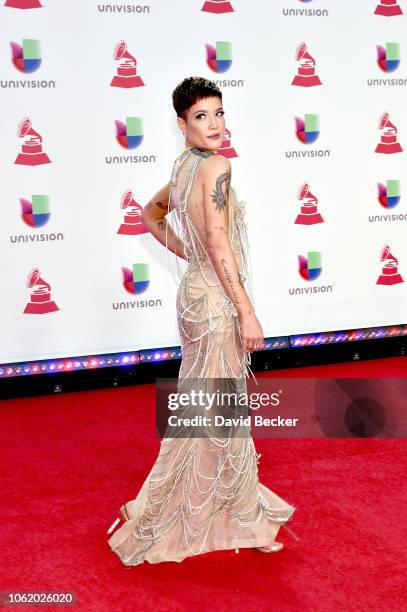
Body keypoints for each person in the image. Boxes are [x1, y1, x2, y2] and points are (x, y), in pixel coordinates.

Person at [107, 76, 296, 566]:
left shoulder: (185, 165)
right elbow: (216, 241)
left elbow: (152, 213)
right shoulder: (216, 166)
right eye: (201, 116)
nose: (214, 124)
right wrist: (246, 309)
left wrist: (185, 254)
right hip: (214, 304)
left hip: (193, 293)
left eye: (219, 112)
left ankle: (220, 509)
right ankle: (225, 518)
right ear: (182, 124)